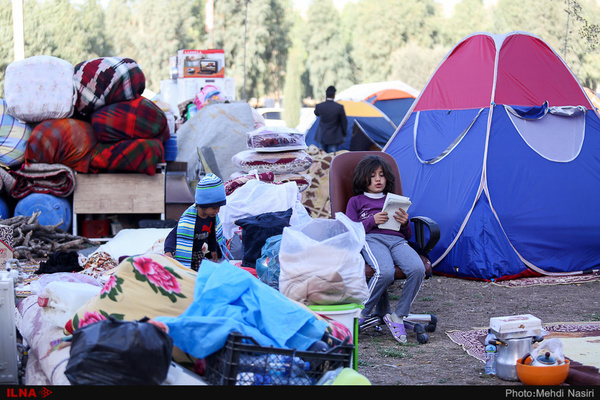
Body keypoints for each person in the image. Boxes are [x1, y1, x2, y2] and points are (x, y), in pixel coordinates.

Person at [345, 155, 425, 344]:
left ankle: (398, 315)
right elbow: (349, 231)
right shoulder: (356, 201)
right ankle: (361, 314)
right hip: (372, 239)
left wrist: (405, 223)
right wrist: (372, 220)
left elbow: (407, 235)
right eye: (372, 175)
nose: (378, 179)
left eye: (381, 175)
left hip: (397, 241)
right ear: (363, 178)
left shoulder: (394, 201)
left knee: (417, 268)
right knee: (385, 272)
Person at [164, 173, 226, 271]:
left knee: (201, 274)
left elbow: (211, 235)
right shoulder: (188, 220)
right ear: (203, 204)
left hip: (197, 253)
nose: (217, 211)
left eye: (219, 207)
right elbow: (173, 235)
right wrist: (168, 251)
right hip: (183, 251)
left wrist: (213, 249)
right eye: (214, 208)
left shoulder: (211, 218)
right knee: (182, 273)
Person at [314, 85, 348, 153]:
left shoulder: (319, 106)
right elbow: (344, 123)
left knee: (322, 157)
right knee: (331, 157)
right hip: (334, 137)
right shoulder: (339, 107)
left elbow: (316, 113)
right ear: (334, 95)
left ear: (326, 94)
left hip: (321, 136)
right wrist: (343, 135)